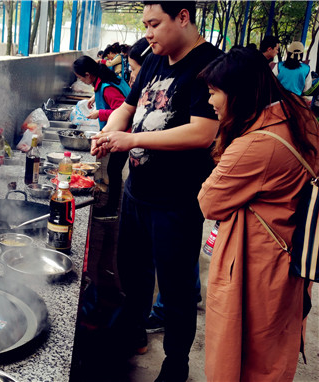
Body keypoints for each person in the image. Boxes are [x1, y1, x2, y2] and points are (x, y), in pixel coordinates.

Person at [90, 2, 221, 381]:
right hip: (137, 191)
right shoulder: (152, 59)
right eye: (145, 24)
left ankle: (175, 362)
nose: (147, 32)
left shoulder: (208, 65)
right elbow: (126, 108)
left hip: (176, 200)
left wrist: (130, 140)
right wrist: (109, 132)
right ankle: (133, 335)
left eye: (154, 23)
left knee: (177, 289)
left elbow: (203, 132)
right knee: (132, 275)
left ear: (182, 17)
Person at [198, 46, 318, 381]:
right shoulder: (298, 113)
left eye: (213, 93)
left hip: (257, 259)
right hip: (290, 249)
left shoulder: (255, 145)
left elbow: (208, 202)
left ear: (238, 93)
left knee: (247, 349)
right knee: (274, 342)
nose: (210, 101)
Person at [72, 56, 131, 220]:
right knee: (113, 169)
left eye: (80, 77)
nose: (81, 80)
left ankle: (112, 210)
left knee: (114, 170)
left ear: (88, 74)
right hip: (122, 131)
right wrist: (94, 97)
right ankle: (112, 207)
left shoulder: (106, 87)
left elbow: (123, 111)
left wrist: (101, 113)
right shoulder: (104, 78)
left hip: (125, 132)